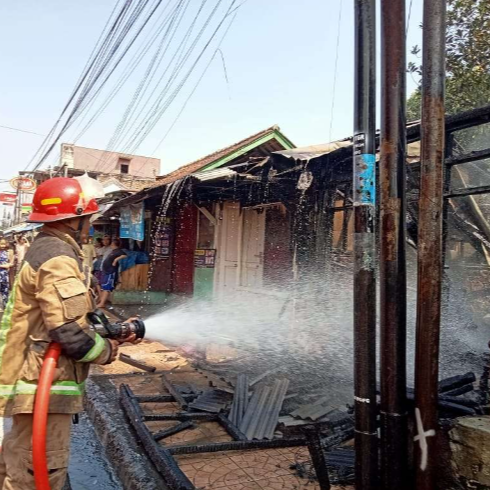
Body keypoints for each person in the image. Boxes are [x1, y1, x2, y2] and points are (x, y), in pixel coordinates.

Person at [0, 177, 139, 490]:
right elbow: (69, 332)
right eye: (87, 218)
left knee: (17, 460)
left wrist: (111, 330)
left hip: (32, 379)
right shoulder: (58, 257)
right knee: (37, 472)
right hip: (42, 384)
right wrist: (107, 351)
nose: (90, 226)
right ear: (73, 219)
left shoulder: (45, 248)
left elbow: (69, 317)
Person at [97, 238, 127, 309]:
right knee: (104, 287)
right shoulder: (113, 251)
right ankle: (101, 301)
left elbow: (124, 255)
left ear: (114, 244)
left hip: (111, 272)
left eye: (111, 244)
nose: (110, 245)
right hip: (106, 271)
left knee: (107, 288)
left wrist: (115, 260)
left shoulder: (118, 251)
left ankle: (102, 303)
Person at [0, 239, 14, 311]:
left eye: (4, 244)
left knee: (5, 291)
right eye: (1, 244)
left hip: (5, 275)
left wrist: (9, 264)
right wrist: (3, 266)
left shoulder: (8, 252)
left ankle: (6, 307)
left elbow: (11, 263)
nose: (3, 245)